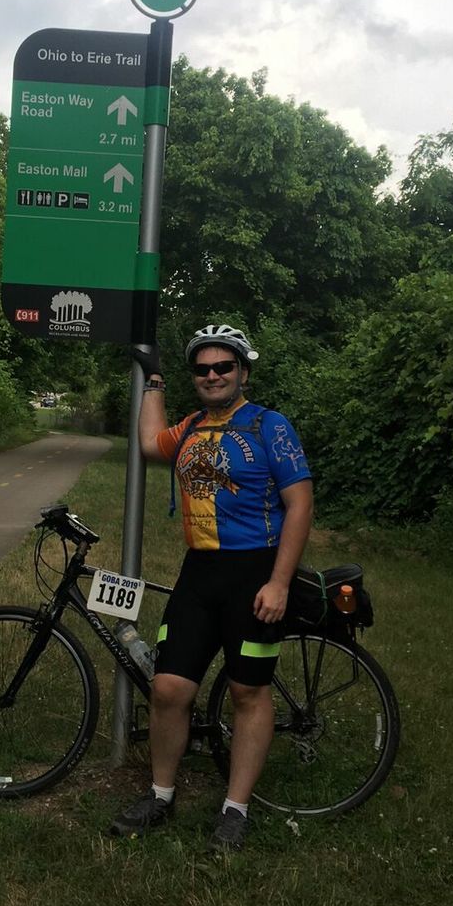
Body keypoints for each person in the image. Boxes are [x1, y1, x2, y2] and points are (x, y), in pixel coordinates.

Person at [110, 323, 313, 853]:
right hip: (199, 573)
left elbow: (300, 505)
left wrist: (279, 582)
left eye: (224, 366)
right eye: (202, 369)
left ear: (243, 372)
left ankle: (235, 809)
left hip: (255, 574)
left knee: (248, 691)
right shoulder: (192, 427)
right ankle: (161, 795)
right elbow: (150, 444)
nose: (213, 375)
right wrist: (154, 380)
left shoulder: (270, 426)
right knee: (168, 688)